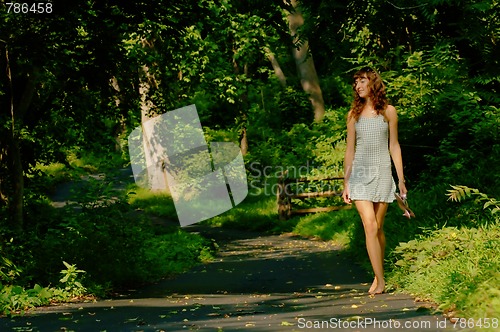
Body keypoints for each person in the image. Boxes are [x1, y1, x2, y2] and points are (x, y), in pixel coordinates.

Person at [342, 66, 407, 295]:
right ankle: (380, 281)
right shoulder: (353, 114)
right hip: (359, 174)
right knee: (369, 225)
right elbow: (349, 150)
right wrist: (346, 183)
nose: (358, 86)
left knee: (378, 229)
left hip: (382, 173)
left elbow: (394, 146)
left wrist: (400, 180)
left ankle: (378, 274)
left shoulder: (389, 111)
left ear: (373, 84)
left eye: (362, 81)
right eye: (356, 83)